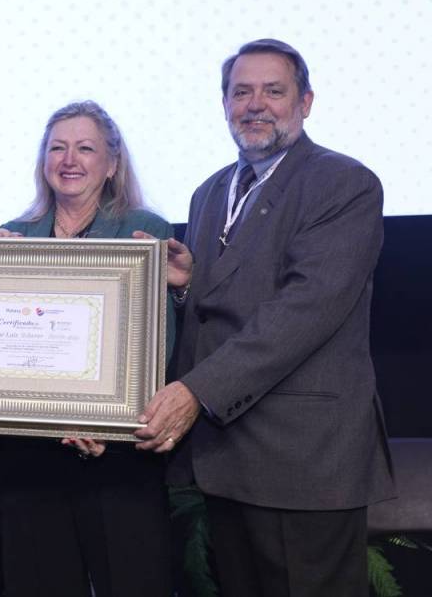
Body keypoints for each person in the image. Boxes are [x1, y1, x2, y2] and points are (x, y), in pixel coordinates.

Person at [134, 39, 395, 596]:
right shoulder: (209, 192)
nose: (255, 104)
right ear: (224, 103)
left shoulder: (344, 183)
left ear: (305, 102)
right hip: (227, 458)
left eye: (273, 91)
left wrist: (195, 392)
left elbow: (305, 311)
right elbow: (229, 303)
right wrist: (189, 285)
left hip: (305, 459)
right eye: (241, 92)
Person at [0, 100, 174, 596]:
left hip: (118, 458)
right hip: (31, 461)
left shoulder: (144, 231)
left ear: (111, 164)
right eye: (57, 148)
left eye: (85, 148)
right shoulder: (13, 236)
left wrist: (107, 424)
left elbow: (159, 346)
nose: (69, 160)